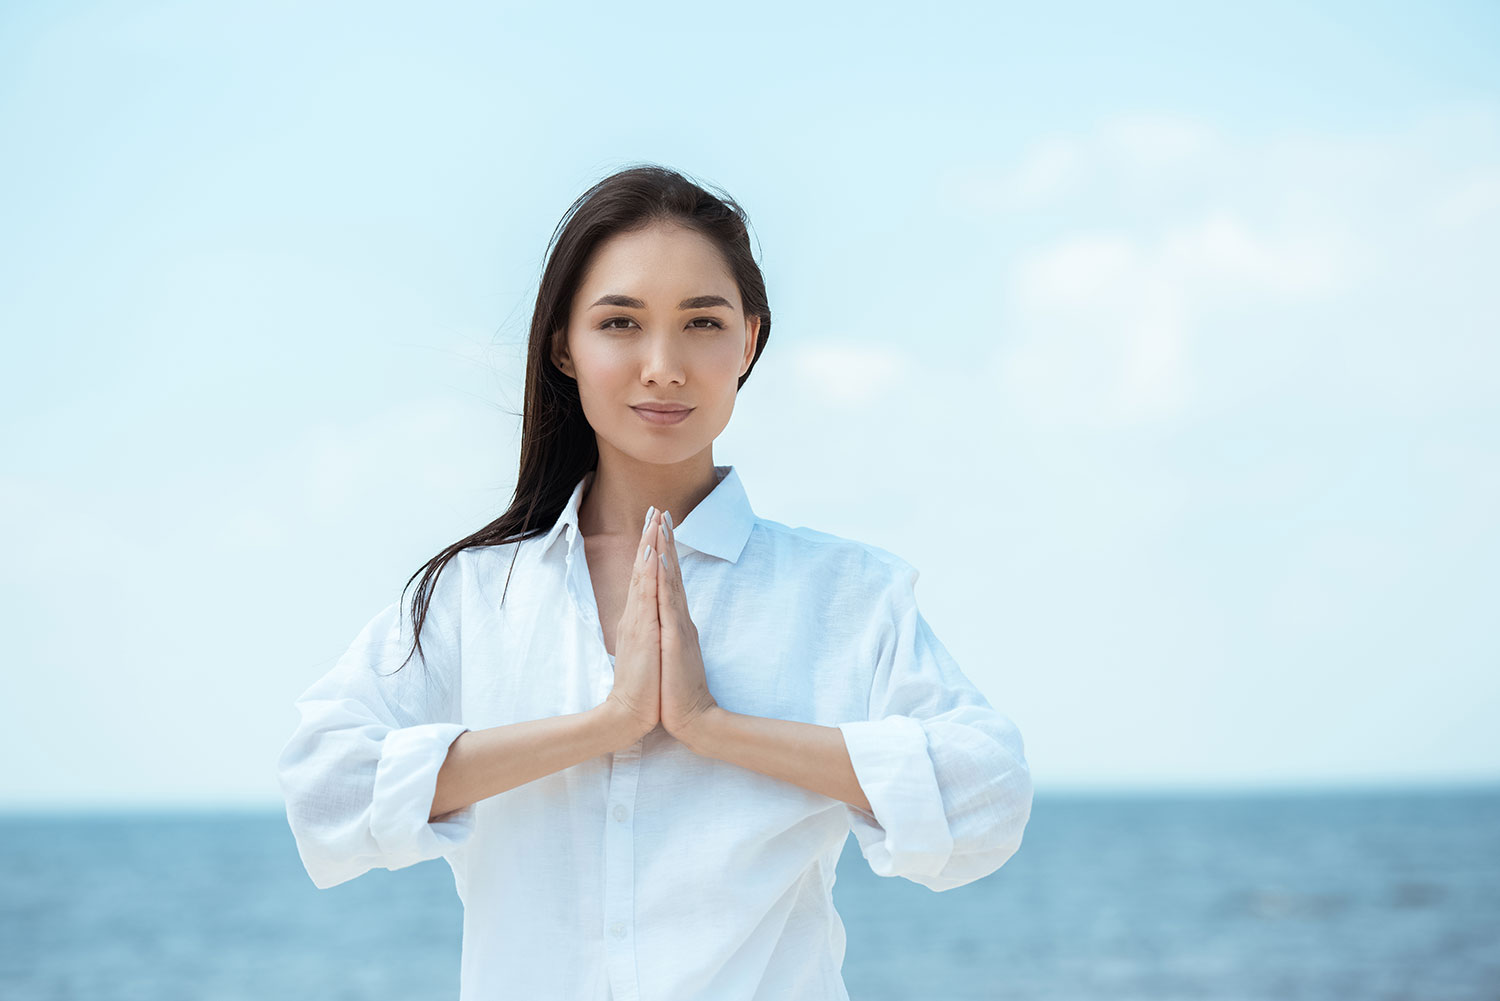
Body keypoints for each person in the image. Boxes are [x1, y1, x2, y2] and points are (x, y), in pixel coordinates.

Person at [275, 164, 1033, 1000]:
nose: (663, 365)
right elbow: (323, 789)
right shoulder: (473, 596)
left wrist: (713, 726)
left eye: (702, 322)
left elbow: (988, 797)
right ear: (565, 343)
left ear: (747, 339)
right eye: (621, 322)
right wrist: (604, 724)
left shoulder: (845, 593)